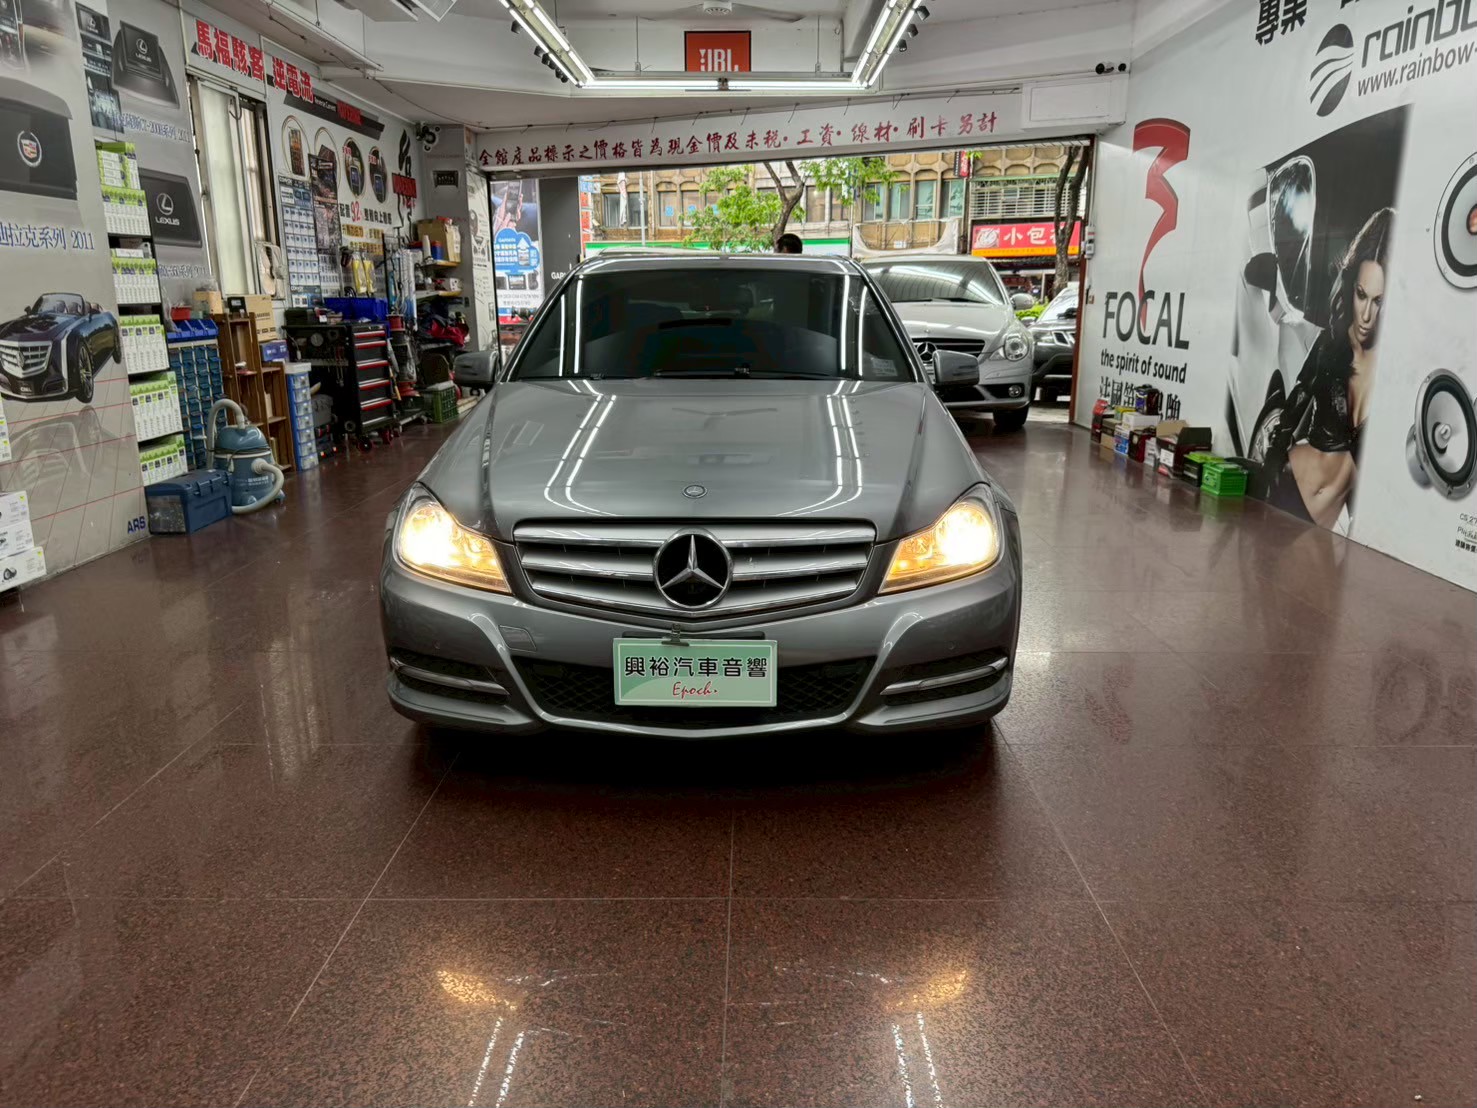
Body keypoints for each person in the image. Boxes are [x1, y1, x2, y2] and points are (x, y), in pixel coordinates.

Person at [1255, 207, 1393, 528]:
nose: (1366, 315)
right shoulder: (1331, 343)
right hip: (1287, 487)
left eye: (1379, 301)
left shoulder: (1394, 374)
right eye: (1361, 295)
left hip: (1322, 527)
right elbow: (1295, 404)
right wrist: (1268, 470)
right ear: (1351, 287)